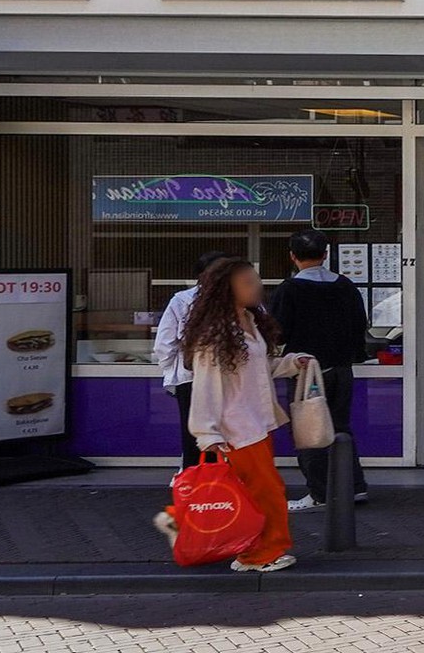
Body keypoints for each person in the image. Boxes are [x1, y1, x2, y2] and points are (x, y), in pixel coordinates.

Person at [164, 255, 297, 573]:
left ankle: (258, 550)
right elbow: (206, 387)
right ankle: (259, 553)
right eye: (248, 282)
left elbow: (256, 369)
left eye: (256, 280)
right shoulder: (215, 335)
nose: (257, 286)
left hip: (257, 422)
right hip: (238, 426)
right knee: (266, 491)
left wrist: (291, 364)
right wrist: (206, 432)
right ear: (227, 289)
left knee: (260, 491)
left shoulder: (248, 320)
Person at [271, 230, 372, 511]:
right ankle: (354, 486)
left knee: (309, 430)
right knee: (340, 428)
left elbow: (278, 332)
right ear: (325, 255)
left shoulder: (289, 289)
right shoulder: (345, 286)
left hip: (307, 369)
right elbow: (359, 325)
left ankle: (320, 492)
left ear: (292, 256)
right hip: (341, 368)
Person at [149, 250, 223, 471]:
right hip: (226, 378)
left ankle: (194, 481)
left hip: (190, 377)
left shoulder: (183, 299)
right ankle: (224, 481)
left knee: (194, 435)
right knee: (226, 435)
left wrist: (170, 372)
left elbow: (164, 343)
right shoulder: (240, 299)